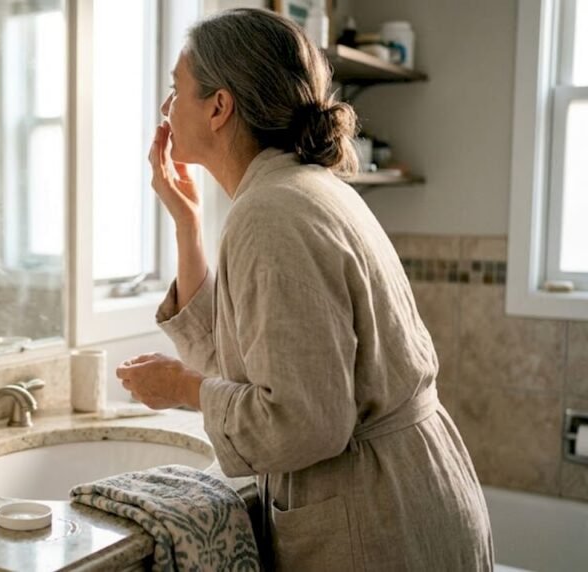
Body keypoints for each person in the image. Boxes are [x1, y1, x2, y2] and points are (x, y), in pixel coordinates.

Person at [115, 9, 492, 570]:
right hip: (408, 494)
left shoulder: (272, 213)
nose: (167, 109)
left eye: (177, 90)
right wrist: (187, 226)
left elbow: (302, 420)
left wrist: (180, 386)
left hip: (380, 523)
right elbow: (243, 367)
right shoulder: (294, 190)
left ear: (219, 107)